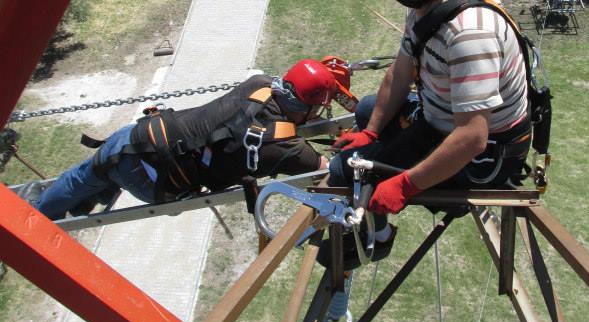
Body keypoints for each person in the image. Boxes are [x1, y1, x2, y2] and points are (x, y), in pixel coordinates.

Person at [328, 0, 530, 267]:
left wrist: (405, 185)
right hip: (444, 119)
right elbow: (401, 72)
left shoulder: (469, 33)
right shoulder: (427, 2)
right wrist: (372, 132)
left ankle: (378, 238)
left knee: (346, 169)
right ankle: (380, 150)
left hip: (483, 158)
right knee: (368, 110)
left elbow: (472, 138)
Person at [32, 59, 351, 221]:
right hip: (151, 174)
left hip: (141, 137)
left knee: (94, 169)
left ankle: (65, 200)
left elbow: (276, 116)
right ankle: (33, 219)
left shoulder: (260, 83)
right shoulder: (287, 149)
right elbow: (328, 169)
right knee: (99, 172)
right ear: (306, 107)